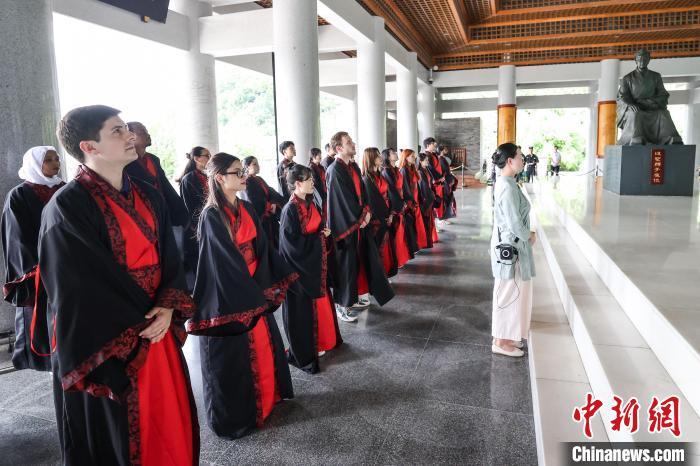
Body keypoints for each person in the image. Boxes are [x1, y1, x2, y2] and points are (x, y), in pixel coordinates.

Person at [43, 105, 198, 464]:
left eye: (127, 128)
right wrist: (147, 318)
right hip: (113, 338)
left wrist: (169, 303)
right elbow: (77, 287)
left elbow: (170, 260)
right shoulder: (67, 207)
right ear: (89, 146)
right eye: (117, 131)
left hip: (157, 326)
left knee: (169, 417)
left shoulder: (149, 194)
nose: (130, 136)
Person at [187, 152, 296, 439]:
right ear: (220, 177)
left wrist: (266, 281)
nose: (243, 176)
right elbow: (223, 263)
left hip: (252, 285)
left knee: (265, 345)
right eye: (237, 172)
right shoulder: (211, 216)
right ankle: (240, 415)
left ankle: (269, 399)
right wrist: (253, 293)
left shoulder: (245, 208)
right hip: (230, 296)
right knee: (236, 359)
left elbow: (262, 247)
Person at [2, 146, 65, 372]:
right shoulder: (19, 195)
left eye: (56, 158)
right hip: (38, 270)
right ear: (35, 164)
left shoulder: (65, 190)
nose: (55, 163)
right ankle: (43, 361)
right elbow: (15, 236)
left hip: (67, 267)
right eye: (48, 159)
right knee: (39, 320)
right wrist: (38, 266)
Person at [279, 164, 342, 374]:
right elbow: (291, 247)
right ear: (297, 183)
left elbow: (317, 227)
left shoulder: (309, 202)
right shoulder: (290, 210)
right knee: (304, 313)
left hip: (315, 264)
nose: (313, 183)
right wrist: (318, 239)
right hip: (300, 271)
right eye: (309, 180)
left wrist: (325, 233)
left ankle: (323, 340)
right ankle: (307, 349)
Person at [326, 132, 393, 323]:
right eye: (349, 142)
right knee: (345, 267)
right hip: (345, 226)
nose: (353, 144)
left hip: (358, 222)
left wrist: (366, 211)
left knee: (357, 264)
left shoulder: (353, 166)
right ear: (339, 148)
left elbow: (362, 193)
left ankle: (352, 299)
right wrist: (361, 217)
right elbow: (341, 201)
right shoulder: (334, 170)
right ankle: (341, 305)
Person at [490, 143, 536, 358]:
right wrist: (529, 235)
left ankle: (506, 338)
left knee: (511, 291)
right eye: (519, 156)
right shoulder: (507, 186)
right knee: (508, 292)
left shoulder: (508, 183)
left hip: (510, 246)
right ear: (509, 161)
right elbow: (514, 223)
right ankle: (500, 340)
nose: (522, 159)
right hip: (511, 247)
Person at [125, 121, 189, 227]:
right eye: (142, 131)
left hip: (162, 213)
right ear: (131, 137)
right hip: (142, 218)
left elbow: (166, 188)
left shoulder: (153, 159)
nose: (148, 135)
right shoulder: (126, 162)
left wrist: (182, 212)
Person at [617, 49, 683, 145]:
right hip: (636, 107)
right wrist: (630, 104)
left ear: (649, 60)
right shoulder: (627, 78)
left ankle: (669, 138)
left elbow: (663, 94)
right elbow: (622, 96)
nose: (642, 62)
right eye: (639, 59)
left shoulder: (656, 76)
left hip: (651, 105)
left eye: (645, 59)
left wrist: (653, 102)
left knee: (663, 113)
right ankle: (636, 138)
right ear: (635, 60)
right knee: (636, 114)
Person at [177, 146, 211, 285]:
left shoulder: (204, 176)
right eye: (207, 156)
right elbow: (190, 208)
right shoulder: (188, 179)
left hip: (206, 224)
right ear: (197, 158)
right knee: (200, 266)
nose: (210, 158)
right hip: (196, 228)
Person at [362, 148, 395, 278]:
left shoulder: (379, 175)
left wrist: (391, 213)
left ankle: (384, 274)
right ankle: (379, 278)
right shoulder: (366, 179)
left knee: (386, 247)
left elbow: (388, 194)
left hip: (386, 213)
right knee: (378, 248)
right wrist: (385, 216)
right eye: (377, 156)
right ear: (371, 158)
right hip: (377, 218)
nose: (380, 158)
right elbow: (372, 202)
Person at [240, 156, 285, 250]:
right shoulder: (246, 182)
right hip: (262, 218)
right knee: (267, 244)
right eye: (254, 164)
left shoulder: (259, 179)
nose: (258, 166)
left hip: (269, 216)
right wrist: (268, 206)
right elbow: (252, 201)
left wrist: (274, 203)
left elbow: (271, 192)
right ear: (247, 167)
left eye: (258, 163)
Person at [381, 148, 411, 268]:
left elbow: (402, 187)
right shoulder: (386, 171)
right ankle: (396, 260)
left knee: (400, 233)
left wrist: (405, 200)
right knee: (396, 234)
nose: (396, 154)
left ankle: (400, 258)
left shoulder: (395, 169)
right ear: (388, 157)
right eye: (393, 153)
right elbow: (391, 191)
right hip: (394, 206)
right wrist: (399, 205)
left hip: (400, 202)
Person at [399, 149, 428, 252]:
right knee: (412, 225)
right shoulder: (404, 170)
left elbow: (416, 185)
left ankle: (416, 245)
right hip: (410, 202)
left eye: (414, 156)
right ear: (405, 157)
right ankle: (411, 247)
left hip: (415, 200)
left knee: (417, 225)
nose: (414, 158)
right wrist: (411, 202)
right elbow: (405, 187)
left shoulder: (412, 168)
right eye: (411, 156)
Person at [417, 152, 439, 248]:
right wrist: (431, 197)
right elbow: (424, 187)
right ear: (420, 162)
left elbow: (430, 184)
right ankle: (425, 242)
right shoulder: (420, 172)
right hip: (426, 199)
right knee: (426, 221)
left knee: (429, 221)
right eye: (425, 160)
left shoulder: (426, 170)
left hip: (429, 197)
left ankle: (429, 240)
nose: (427, 161)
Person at [437, 145, 458, 220]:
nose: (447, 150)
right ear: (442, 150)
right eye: (445, 149)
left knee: (447, 199)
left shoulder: (442, 158)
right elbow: (444, 171)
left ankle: (445, 217)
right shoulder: (441, 159)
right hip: (446, 182)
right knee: (445, 200)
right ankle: (443, 218)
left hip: (446, 181)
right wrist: (450, 180)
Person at [309, 147, 327, 214]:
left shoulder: (321, 167)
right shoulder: (310, 168)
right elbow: (315, 184)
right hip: (317, 194)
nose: (320, 156)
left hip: (324, 191)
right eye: (318, 154)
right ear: (313, 156)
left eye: (320, 154)